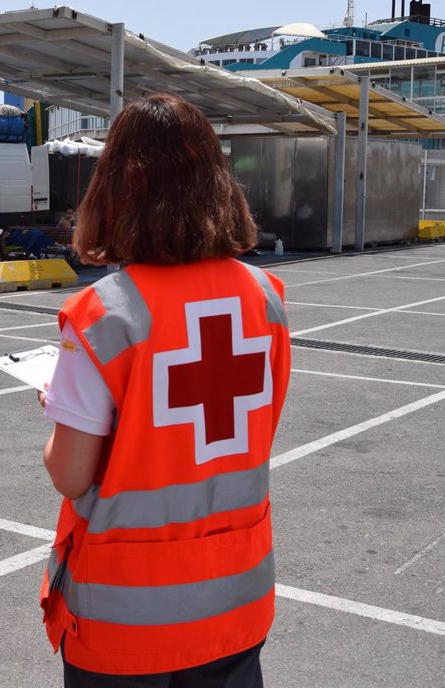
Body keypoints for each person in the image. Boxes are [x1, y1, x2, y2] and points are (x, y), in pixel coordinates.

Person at [37, 93, 291, 686]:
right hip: (235, 603)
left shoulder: (104, 316)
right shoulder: (268, 299)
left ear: (116, 189)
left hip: (129, 621)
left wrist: (58, 409)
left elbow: (70, 475)